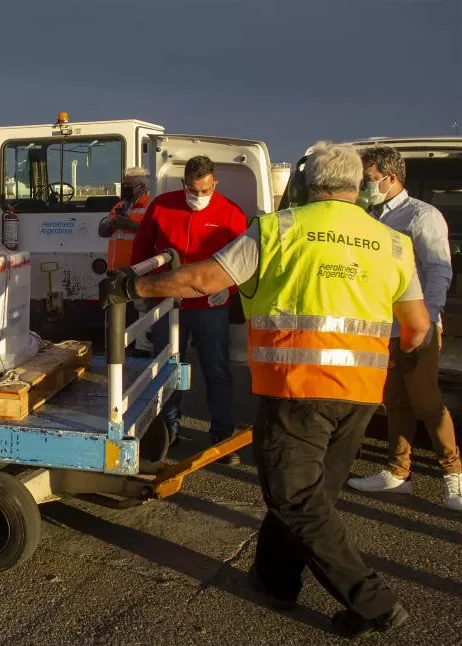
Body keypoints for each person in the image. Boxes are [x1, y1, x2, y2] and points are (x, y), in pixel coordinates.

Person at [102, 141, 429, 639]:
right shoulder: (392, 243)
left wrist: (136, 288)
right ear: (356, 186)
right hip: (361, 394)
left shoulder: (279, 229)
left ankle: (374, 602)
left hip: (298, 390)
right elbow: (417, 329)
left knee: (295, 497)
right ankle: (276, 581)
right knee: (309, 495)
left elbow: (207, 278)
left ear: (304, 184)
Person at [347, 146, 461, 511]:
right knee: (394, 400)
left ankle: (453, 475)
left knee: (427, 402)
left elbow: (439, 270)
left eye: (369, 179)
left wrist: (426, 321)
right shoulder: (370, 217)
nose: (365, 187)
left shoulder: (421, 217)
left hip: (415, 325)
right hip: (382, 326)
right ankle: (398, 472)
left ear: (390, 178)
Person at [131, 156, 247, 461]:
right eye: (193, 191)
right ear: (184, 185)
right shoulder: (162, 206)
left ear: (215, 183)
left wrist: (229, 289)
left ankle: (221, 433)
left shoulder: (231, 213)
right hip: (169, 303)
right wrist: (140, 288)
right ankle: (169, 429)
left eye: (205, 190)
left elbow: (244, 262)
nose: (199, 197)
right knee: (166, 370)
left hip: (210, 306)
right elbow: (141, 249)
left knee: (216, 370)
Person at [98, 167, 150, 269]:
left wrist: (131, 225)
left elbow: (156, 232)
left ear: (142, 187)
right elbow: (101, 232)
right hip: (115, 269)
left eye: (129, 185)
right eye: (124, 184)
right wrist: (112, 224)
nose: (125, 187)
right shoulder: (120, 205)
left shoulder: (150, 205)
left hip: (137, 270)